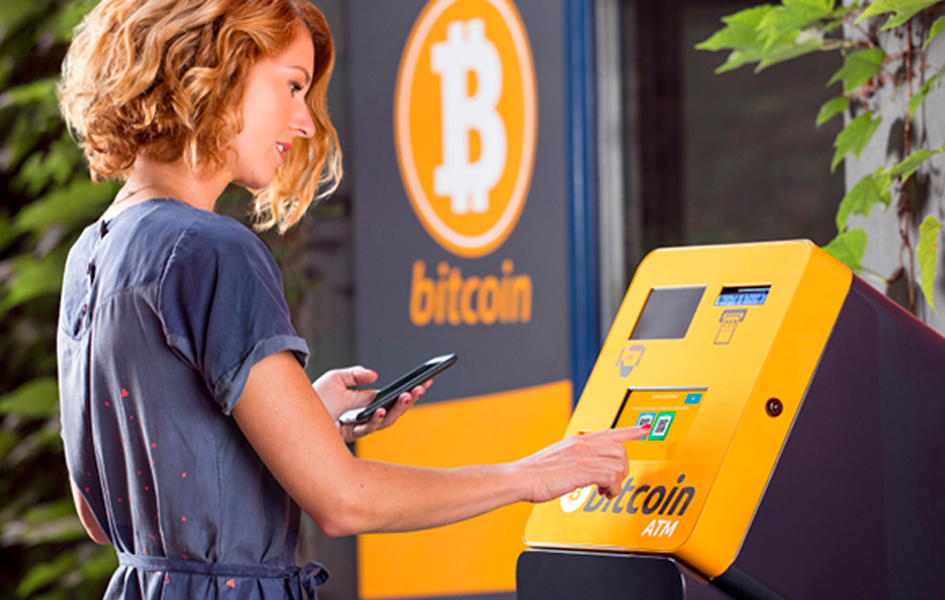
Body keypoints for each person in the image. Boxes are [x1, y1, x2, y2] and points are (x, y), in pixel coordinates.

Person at [55, 1, 649, 598]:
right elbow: (343, 501)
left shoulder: (92, 255)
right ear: (215, 68)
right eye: (293, 86)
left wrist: (301, 425)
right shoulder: (212, 251)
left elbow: (100, 511)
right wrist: (529, 475)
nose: (306, 123)